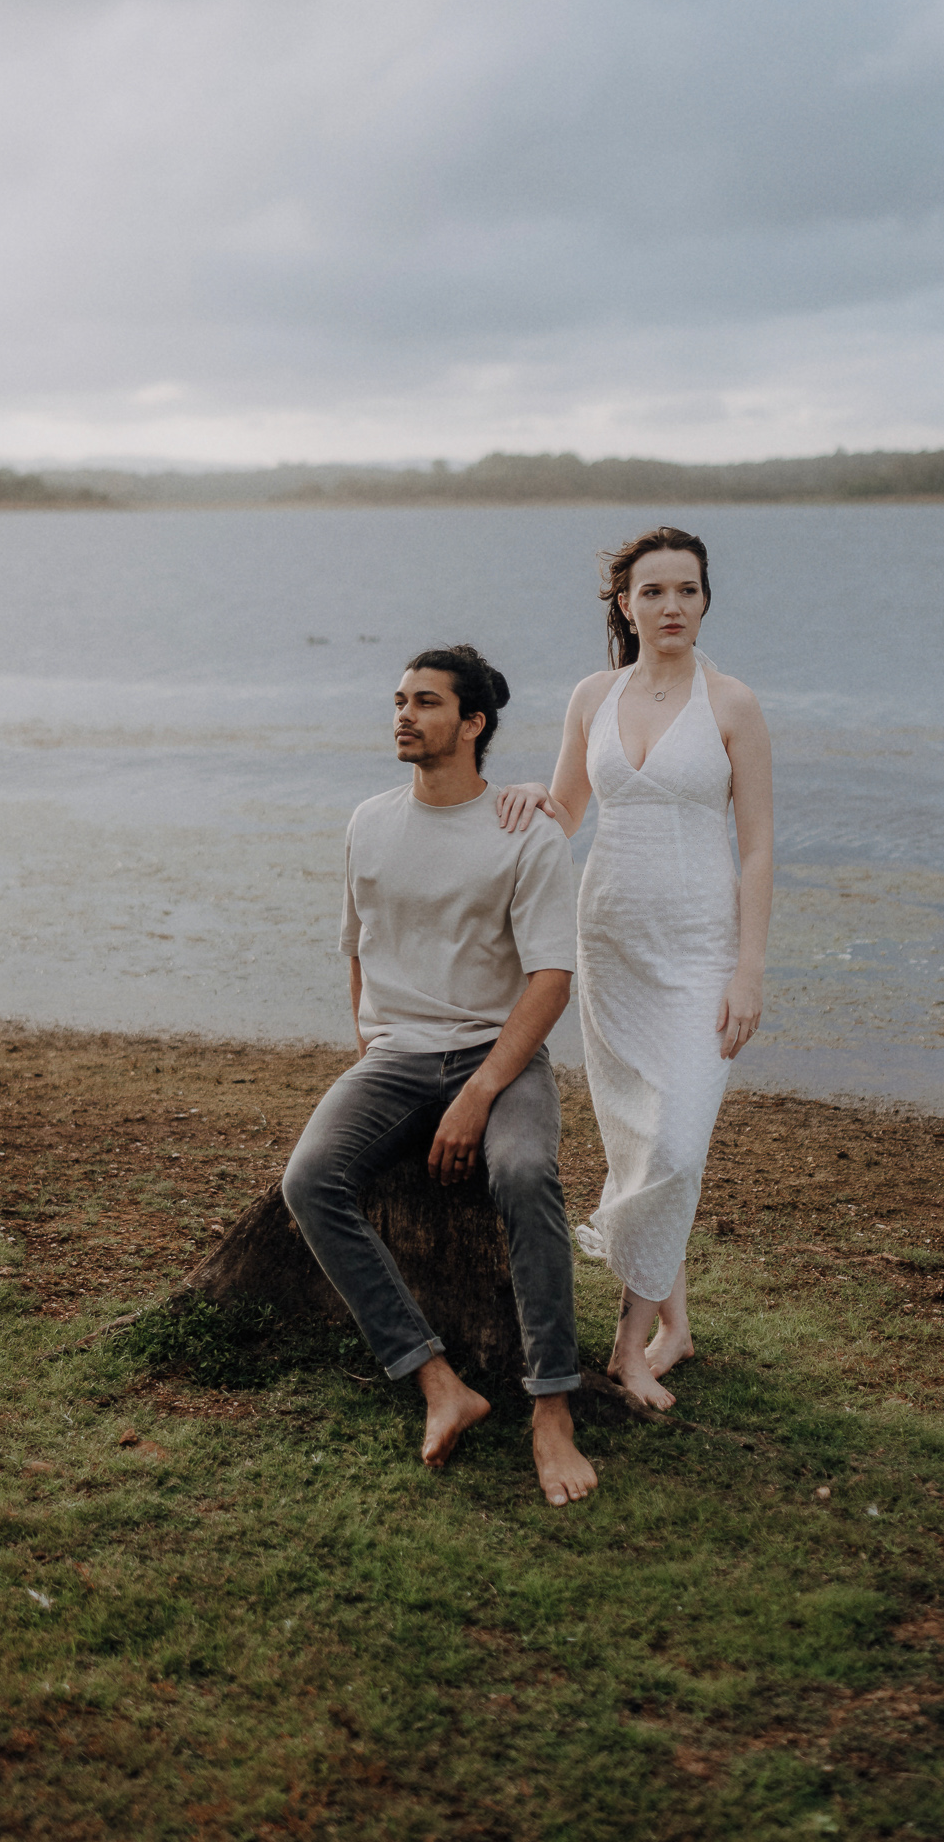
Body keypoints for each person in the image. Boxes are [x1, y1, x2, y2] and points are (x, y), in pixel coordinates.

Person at [280, 644, 598, 1508]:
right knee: (309, 1181)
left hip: (500, 1056)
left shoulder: (525, 830)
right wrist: (374, 1055)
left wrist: (479, 1091)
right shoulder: (368, 821)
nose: (402, 715)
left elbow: (551, 979)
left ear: (472, 723)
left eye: (424, 702)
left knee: (524, 1172)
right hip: (395, 1059)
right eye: (398, 700)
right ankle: (438, 1384)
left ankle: (552, 1407)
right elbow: (358, 953)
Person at [495, 529, 773, 1410]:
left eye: (687, 590)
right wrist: (527, 804)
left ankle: (625, 1350)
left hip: (700, 951)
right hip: (608, 942)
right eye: (653, 593)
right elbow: (568, 811)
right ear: (625, 605)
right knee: (637, 1141)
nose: (672, 607)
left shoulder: (732, 704)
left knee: (676, 1146)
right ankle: (674, 1325)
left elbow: (760, 849)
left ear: (704, 599)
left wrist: (749, 973)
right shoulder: (592, 696)